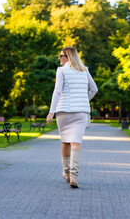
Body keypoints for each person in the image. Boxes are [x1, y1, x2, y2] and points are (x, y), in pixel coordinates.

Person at [46, 47, 98, 188]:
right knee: (76, 142)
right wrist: (84, 99)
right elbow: (94, 89)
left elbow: (57, 91)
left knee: (65, 142)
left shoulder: (61, 71)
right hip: (80, 112)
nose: (59, 58)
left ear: (68, 57)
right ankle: (74, 175)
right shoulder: (84, 70)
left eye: (62, 56)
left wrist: (51, 112)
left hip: (64, 111)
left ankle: (66, 172)